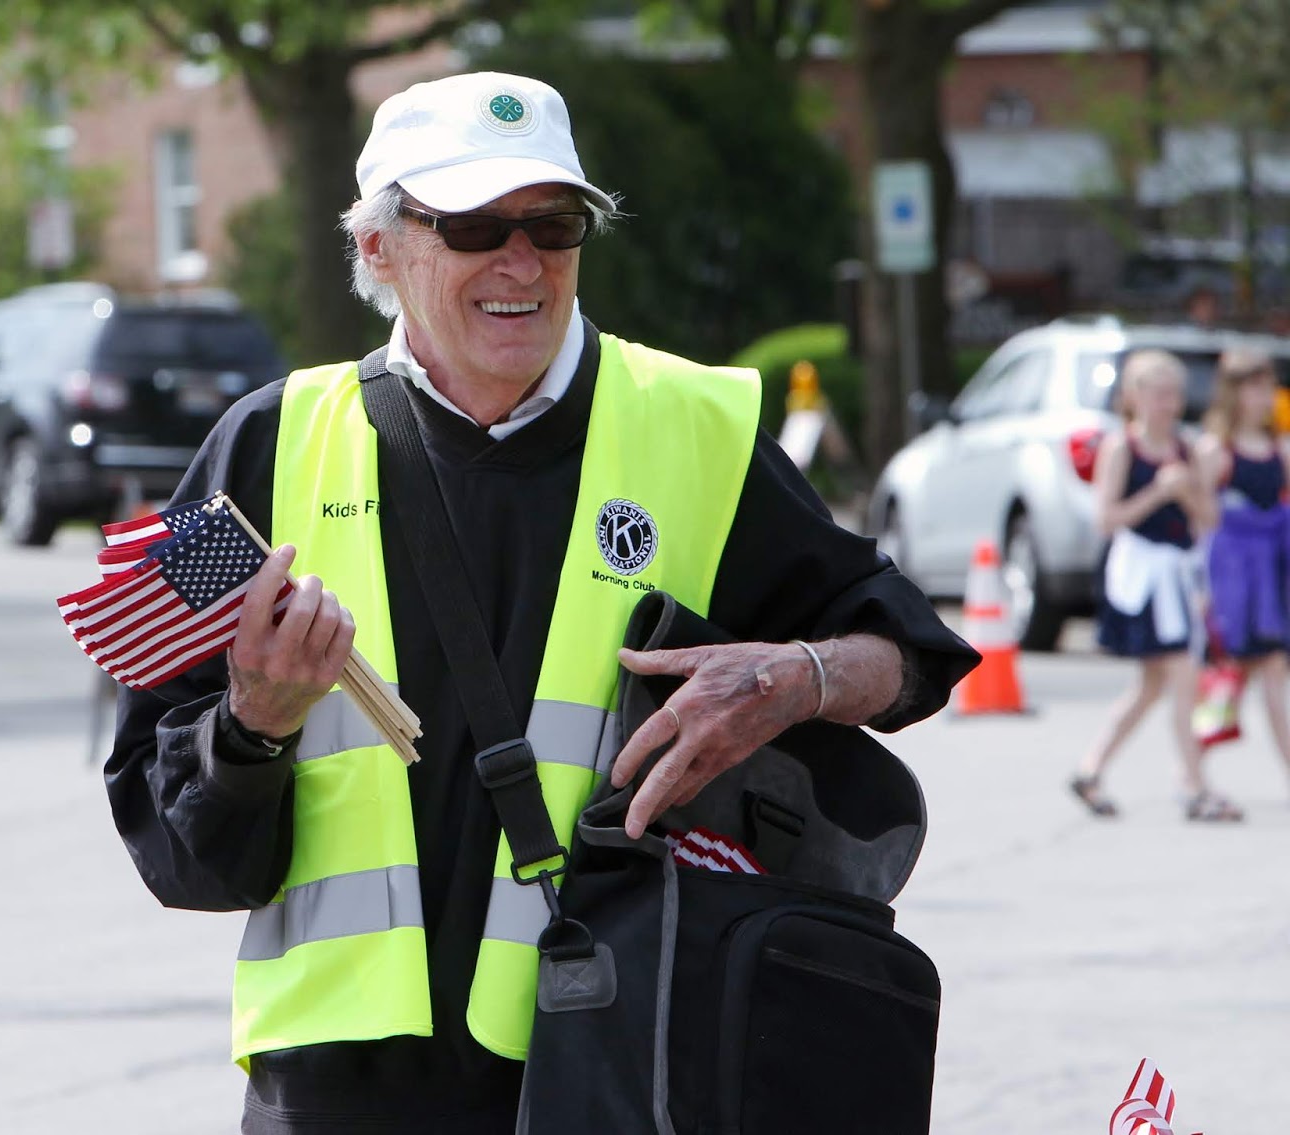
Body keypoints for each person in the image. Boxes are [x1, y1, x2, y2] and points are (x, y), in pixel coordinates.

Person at [105, 71, 978, 1133]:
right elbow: (174, 849)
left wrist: (795, 678)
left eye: (552, 225)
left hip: (622, 1061)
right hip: (340, 1092)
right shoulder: (265, 442)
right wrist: (252, 726)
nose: (520, 261)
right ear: (379, 249)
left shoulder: (693, 425)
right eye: (474, 227)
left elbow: (908, 644)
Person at [1070, 349, 1236, 821]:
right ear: (1136, 397)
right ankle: (1194, 785)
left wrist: (1186, 490)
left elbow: (1209, 517)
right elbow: (1107, 519)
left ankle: (1092, 768)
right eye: (1160, 394)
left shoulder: (1186, 450)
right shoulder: (1122, 448)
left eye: (1176, 395)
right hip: (1141, 578)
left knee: (1151, 687)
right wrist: (1157, 492)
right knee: (1184, 678)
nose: (1170, 404)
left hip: (1178, 577)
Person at [1195, 348, 1290, 792]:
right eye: (1252, 386)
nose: (1262, 396)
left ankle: (1190, 765)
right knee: (1240, 678)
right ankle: (1189, 765)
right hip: (1236, 587)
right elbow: (1204, 527)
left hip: (1272, 583)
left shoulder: (1280, 450)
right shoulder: (1217, 452)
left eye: (1266, 385)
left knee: (1261, 673)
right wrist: (1204, 593)